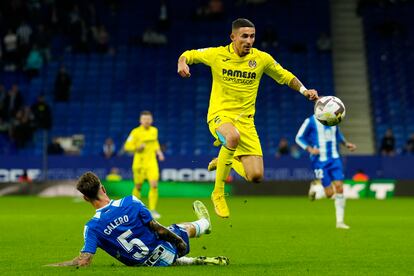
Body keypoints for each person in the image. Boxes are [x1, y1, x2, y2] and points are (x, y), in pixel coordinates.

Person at [177, 18, 318, 218]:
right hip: (220, 115)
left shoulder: (261, 59)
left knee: (256, 176)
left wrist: (305, 91)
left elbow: (285, 76)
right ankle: (218, 193)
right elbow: (188, 54)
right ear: (232, 37)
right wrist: (182, 62)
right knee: (232, 137)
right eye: (244, 36)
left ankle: (225, 160)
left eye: (252, 36)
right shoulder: (217, 54)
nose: (249, 40)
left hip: (246, 122)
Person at [46, 172, 228, 267]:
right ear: (103, 188)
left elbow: (83, 260)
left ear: (85, 198)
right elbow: (158, 229)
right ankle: (204, 224)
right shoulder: (130, 201)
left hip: (144, 265)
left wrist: (52, 266)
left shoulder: (91, 227)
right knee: (178, 228)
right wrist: (178, 240)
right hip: (165, 251)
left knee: (157, 255)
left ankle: (189, 260)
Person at [295, 115, 357, 229]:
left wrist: (346, 143)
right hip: (319, 160)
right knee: (329, 194)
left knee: (339, 187)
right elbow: (299, 138)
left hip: (334, 158)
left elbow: (337, 134)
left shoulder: (333, 119)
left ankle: (340, 222)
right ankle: (315, 188)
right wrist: (310, 149)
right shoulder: (310, 121)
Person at [123, 111, 165, 219]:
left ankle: (153, 210)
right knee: (138, 186)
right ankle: (135, 210)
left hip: (151, 162)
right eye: (144, 119)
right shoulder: (135, 132)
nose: (146, 121)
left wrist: (159, 153)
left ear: (151, 120)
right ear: (140, 120)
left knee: (154, 185)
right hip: (139, 163)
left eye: (148, 119)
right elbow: (127, 146)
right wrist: (137, 148)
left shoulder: (154, 130)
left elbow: (155, 143)